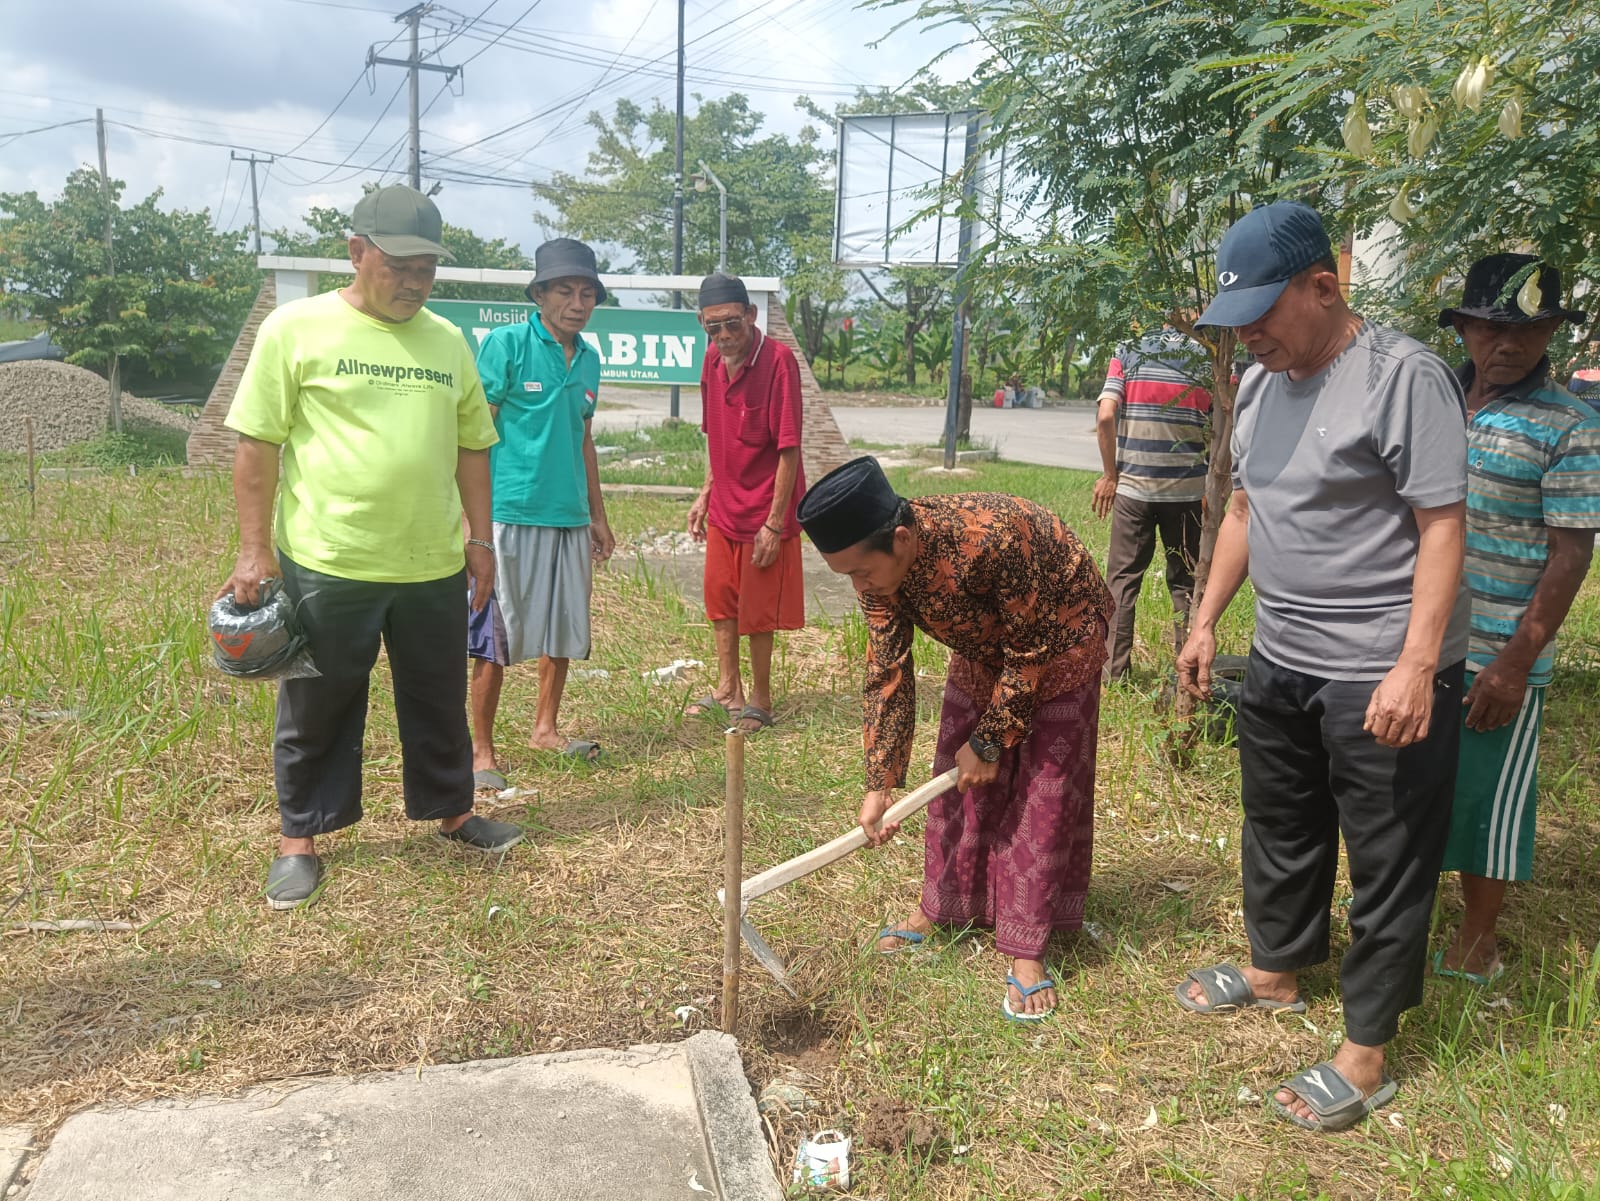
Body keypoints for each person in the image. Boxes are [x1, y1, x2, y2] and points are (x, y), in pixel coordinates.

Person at [1174, 201, 1469, 1132]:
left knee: (1388, 856)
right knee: (1282, 821)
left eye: (1265, 312)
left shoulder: (1403, 378)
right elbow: (1243, 514)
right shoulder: (1262, 385)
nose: (1250, 334)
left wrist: (1417, 664)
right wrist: (1205, 619)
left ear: (1324, 286)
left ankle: (1368, 1049)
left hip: (1380, 671)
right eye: (1239, 319)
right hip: (1283, 657)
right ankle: (1275, 969)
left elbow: (1442, 526)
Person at [219, 184, 523, 911]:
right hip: (330, 556)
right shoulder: (296, 329)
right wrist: (253, 549)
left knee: (436, 695)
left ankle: (453, 813)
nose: (416, 282)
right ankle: (300, 840)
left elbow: (473, 447)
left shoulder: (447, 341)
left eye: (428, 270)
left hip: (430, 561)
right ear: (357, 252)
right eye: (400, 265)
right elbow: (257, 443)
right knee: (318, 701)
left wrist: (479, 540)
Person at [797, 456, 1111, 1022]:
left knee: (1042, 786)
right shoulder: (878, 579)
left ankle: (1027, 950)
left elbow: (1032, 648)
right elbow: (886, 674)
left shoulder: (991, 539)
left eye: (860, 573)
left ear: (899, 539)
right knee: (955, 774)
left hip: (1060, 634)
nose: (858, 587)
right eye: (845, 576)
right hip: (985, 647)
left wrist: (991, 741)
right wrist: (880, 784)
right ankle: (942, 908)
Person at [1434, 254, 1599, 984]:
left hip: (1497, 649)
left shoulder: (1569, 423)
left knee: (1485, 797)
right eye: (1493, 326)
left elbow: (1569, 557)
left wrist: (1513, 660)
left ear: (1554, 330)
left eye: (1530, 328)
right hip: (1417, 639)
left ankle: (1478, 936)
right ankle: (1406, 907)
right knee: (1414, 783)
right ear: (1466, 327)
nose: (1508, 343)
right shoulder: (1435, 399)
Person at [467, 238, 615, 788]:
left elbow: (583, 437)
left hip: (569, 517)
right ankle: (482, 752)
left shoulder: (591, 359)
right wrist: (472, 522)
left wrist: (597, 514)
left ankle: (545, 728)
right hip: (510, 511)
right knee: (496, 635)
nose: (577, 304)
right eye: (564, 291)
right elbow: (476, 432)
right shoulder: (506, 344)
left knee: (563, 628)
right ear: (538, 294)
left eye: (587, 294)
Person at [684, 273, 806, 733]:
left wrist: (775, 523)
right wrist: (705, 492)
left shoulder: (778, 362)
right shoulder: (712, 360)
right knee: (721, 600)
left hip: (765, 506)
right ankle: (726, 690)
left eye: (732, 324)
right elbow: (717, 433)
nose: (724, 336)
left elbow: (789, 448)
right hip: (726, 503)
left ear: (751, 316)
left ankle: (760, 697)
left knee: (757, 612)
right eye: (712, 328)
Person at [1092, 325, 1212, 679]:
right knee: (1185, 582)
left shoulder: (1129, 349)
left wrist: (1110, 475)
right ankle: (1186, 670)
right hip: (1189, 493)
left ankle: (1113, 673)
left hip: (1134, 490)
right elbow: (1227, 421)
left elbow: (1105, 415)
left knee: (1122, 580)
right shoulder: (1209, 358)